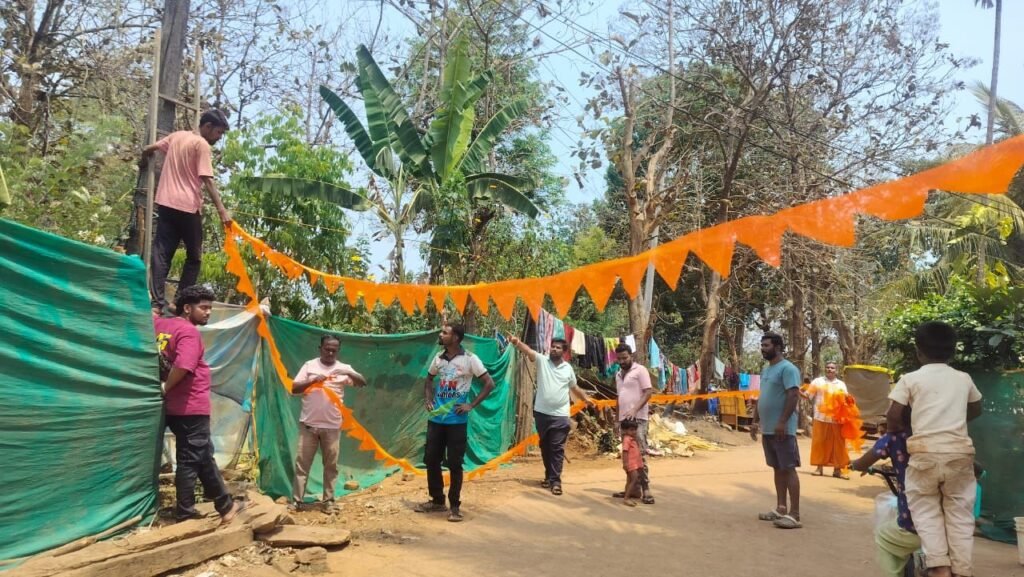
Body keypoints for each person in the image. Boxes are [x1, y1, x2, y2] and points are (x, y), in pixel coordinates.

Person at [886, 321, 983, 577]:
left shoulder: (910, 379)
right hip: (959, 455)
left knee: (925, 511)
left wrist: (908, 426)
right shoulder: (963, 378)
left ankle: (939, 566)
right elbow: (976, 407)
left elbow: (893, 416)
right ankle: (962, 570)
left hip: (924, 454)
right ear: (952, 352)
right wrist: (953, 420)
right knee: (960, 515)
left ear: (919, 352)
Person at [155, 285, 240, 523]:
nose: (208, 312)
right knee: (190, 459)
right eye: (203, 307)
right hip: (190, 405)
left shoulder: (160, 326)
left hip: (170, 406)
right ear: (187, 308)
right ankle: (186, 512)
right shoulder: (188, 331)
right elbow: (183, 365)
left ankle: (225, 505)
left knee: (202, 455)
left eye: (210, 308)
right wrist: (166, 387)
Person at [140, 109, 233, 315]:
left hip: (165, 202)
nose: (219, 137)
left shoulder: (177, 136)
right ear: (207, 126)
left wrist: (144, 158)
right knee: (194, 257)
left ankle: (156, 304)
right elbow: (207, 179)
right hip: (187, 206)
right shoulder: (201, 144)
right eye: (218, 132)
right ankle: (179, 302)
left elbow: (150, 147)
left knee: (162, 253)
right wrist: (222, 211)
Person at [415, 324, 496, 522]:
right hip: (436, 419)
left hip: (457, 421)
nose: (441, 335)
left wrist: (471, 405)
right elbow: (428, 380)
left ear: (456, 337)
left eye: (445, 332)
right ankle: (437, 500)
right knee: (431, 459)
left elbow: (489, 383)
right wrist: (428, 398)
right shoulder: (439, 358)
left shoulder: (470, 359)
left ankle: (455, 507)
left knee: (454, 463)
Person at [289, 334, 366, 513]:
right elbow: (294, 388)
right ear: (320, 348)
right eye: (327, 349)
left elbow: (362, 382)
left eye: (334, 350)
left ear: (338, 350)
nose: (330, 353)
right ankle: (296, 501)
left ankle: (328, 501)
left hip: (332, 427)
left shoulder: (344, 368)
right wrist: (312, 380)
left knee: (331, 466)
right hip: (308, 426)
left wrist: (348, 373)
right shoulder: (310, 366)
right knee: (302, 465)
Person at [509, 335, 594, 496]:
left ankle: (556, 481)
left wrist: (585, 398)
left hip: (560, 415)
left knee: (557, 448)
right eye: (553, 346)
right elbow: (529, 351)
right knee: (545, 447)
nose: (554, 349)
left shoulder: (568, 369)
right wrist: (517, 342)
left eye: (558, 347)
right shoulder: (542, 361)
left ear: (564, 352)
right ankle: (549, 476)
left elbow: (574, 388)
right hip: (541, 413)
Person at [850, 411, 918, 577]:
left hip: (914, 521)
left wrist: (854, 464)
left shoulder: (894, 438)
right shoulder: (931, 434)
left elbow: (862, 463)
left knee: (884, 537)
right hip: (947, 519)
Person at [751, 332, 803, 529]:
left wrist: (782, 421)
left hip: (783, 430)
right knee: (777, 468)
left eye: (766, 345)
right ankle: (781, 508)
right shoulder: (766, 370)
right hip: (768, 429)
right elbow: (762, 396)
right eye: (762, 345)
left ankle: (795, 514)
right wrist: (755, 421)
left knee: (788, 468)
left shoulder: (788, 369)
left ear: (778, 347)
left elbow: (793, 395)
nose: (763, 349)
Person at [611, 343, 655, 504]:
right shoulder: (618, 375)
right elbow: (618, 398)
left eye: (625, 358)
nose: (622, 361)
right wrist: (616, 420)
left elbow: (648, 392)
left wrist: (635, 409)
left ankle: (646, 489)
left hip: (638, 420)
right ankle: (633, 489)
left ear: (631, 356)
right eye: (619, 359)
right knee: (628, 457)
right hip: (624, 421)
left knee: (640, 455)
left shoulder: (640, 370)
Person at [804, 361, 851, 479]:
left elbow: (846, 400)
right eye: (828, 367)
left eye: (832, 368)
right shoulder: (818, 382)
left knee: (838, 445)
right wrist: (797, 391)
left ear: (836, 370)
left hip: (837, 419)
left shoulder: (841, 384)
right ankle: (819, 468)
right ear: (825, 369)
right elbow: (808, 395)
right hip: (820, 417)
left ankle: (838, 470)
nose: (830, 369)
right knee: (819, 443)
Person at [619, 419, 644, 507]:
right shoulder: (627, 439)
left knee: (630, 480)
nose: (634, 432)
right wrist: (625, 463)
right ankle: (626, 498)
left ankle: (627, 496)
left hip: (634, 462)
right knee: (633, 480)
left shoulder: (632, 439)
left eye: (635, 429)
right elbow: (625, 451)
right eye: (631, 430)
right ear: (625, 430)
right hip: (631, 463)